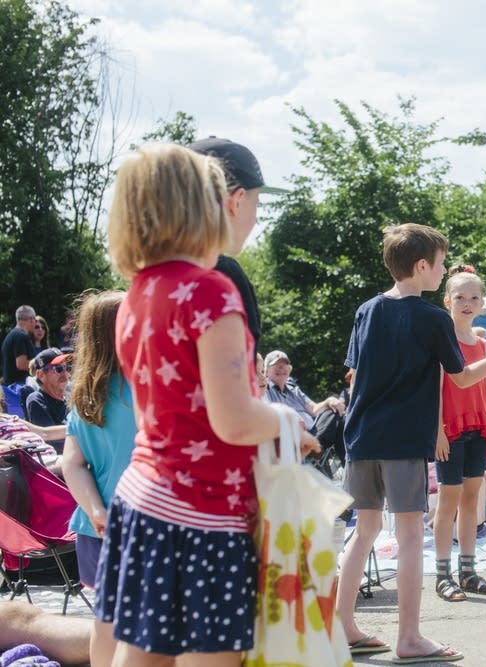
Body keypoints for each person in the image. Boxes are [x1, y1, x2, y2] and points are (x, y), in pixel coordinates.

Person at [99, 143, 318, 666]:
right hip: (201, 514)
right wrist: (289, 419)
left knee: (139, 655)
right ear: (210, 203)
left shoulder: (138, 292)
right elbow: (236, 418)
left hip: (143, 499)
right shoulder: (210, 292)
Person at [335, 223, 486, 664]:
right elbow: (464, 377)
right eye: (441, 263)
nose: (444, 269)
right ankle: (409, 638)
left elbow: (354, 379)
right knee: (412, 534)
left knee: (365, 531)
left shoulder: (367, 309)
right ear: (421, 266)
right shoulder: (432, 318)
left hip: (360, 437)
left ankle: (343, 628)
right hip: (402, 441)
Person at [60, 290, 136, 667]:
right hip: (141, 526)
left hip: (96, 528)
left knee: (105, 622)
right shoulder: (144, 389)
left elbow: (72, 463)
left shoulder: (86, 396)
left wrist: (95, 510)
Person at [433, 267, 486, 602]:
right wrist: (437, 433)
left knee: (471, 500)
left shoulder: (483, 343)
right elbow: (432, 390)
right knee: (448, 501)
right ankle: (443, 574)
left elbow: (485, 387)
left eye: (474, 297)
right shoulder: (441, 341)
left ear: (483, 303)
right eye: (460, 297)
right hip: (450, 428)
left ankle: (469, 570)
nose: (467, 303)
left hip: (477, 426)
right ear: (447, 301)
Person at [188, 137, 266, 355]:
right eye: (257, 202)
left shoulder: (150, 278)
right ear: (236, 201)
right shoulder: (223, 276)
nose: (255, 218)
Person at [262, 350, 346, 431]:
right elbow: (269, 415)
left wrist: (329, 401)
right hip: (291, 435)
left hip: (313, 431)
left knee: (335, 414)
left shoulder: (294, 390)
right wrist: (292, 417)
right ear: (266, 371)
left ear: (289, 369)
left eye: (285, 365)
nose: (281, 368)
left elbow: (314, 409)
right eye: (276, 364)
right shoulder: (264, 389)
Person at [24, 347, 70, 452]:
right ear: (41, 375)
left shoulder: (70, 398)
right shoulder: (36, 400)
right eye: (58, 369)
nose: (65, 373)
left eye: (66, 367)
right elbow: (52, 440)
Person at [2, 305, 37, 417]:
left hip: (9, 389)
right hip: (18, 389)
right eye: (35, 320)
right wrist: (41, 365)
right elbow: (21, 364)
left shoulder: (11, 335)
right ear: (31, 319)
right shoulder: (21, 336)